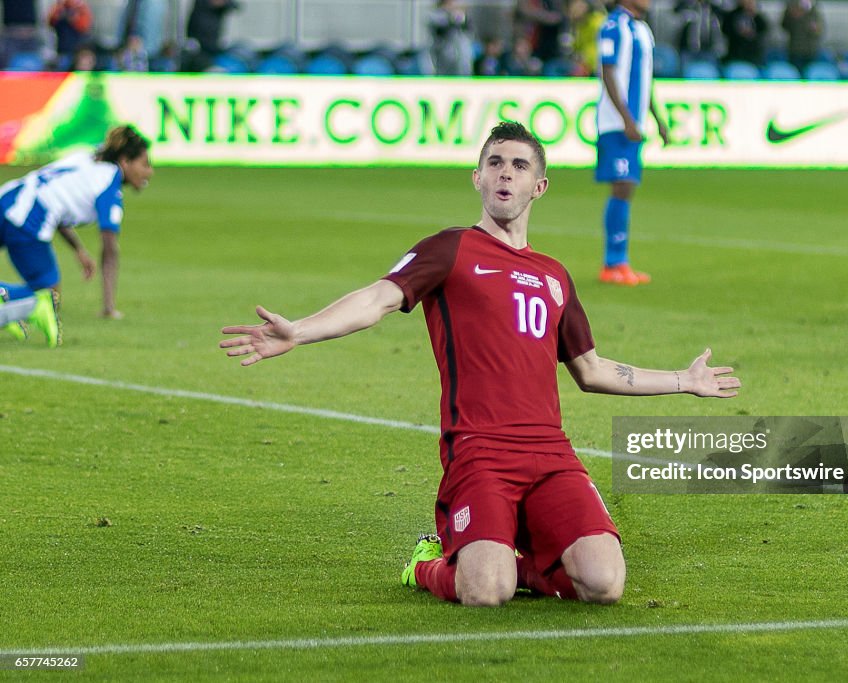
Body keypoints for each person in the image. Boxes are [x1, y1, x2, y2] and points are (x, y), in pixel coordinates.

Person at [220, 121, 741, 606]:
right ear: (477, 178)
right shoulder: (451, 249)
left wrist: (684, 380)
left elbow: (592, 370)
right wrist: (301, 331)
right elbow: (376, 299)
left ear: (539, 186)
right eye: (494, 163)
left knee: (604, 583)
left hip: (551, 453)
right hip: (479, 452)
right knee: (486, 591)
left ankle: (520, 564)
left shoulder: (554, 275)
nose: (505, 173)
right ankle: (429, 563)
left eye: (518, 165)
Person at [0, 125, 154, 346]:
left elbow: (59, 200)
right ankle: (10, 301)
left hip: (7, 198)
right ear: (125, 162)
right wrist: (109, 307)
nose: (149, 172)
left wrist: (78, 249)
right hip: (28, 218)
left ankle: (8, 304)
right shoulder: (109, 185)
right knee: (49, 297)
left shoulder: (90, 158)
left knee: (44, 294)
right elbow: (109, 250)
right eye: (145, 164)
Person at [595, 0, 669, 286]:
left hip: (632, 123)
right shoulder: (613, 26)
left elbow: (645, 81)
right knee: (622, 186)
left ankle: (619, 262)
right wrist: (626, 119)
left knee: (627, 187)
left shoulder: (642, 30)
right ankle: (613, 263)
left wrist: (658, 119)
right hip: (615, 124)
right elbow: (608, 72)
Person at [427, 0, 474, 76]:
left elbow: (468, 29)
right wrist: (451, 18)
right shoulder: (436, 15)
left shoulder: (458, 14)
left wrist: (460, 18)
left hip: (460, 55)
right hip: (443, 53)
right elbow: (439, 31)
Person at [720, 0, 769, 66]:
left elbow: (764, 29)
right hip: (735, 55)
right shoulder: (732, 15)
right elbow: (725, 30)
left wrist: (754, 14)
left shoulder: (756, 17)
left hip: (754, 56)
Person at [47, 0, 93, 69]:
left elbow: (84, 27)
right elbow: (51, 21)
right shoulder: (60, 7)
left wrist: (73, 17)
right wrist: (61, 8)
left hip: (77, 51)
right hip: (62, 50)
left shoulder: (81, 8)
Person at [781, 0, 824, 70]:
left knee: (809, 73)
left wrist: (814, 28)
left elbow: (819, 32)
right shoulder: (792, 8)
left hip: (811, 51)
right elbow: (784, 26)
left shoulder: (814, 11)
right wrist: (791, 14)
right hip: (795, 50)